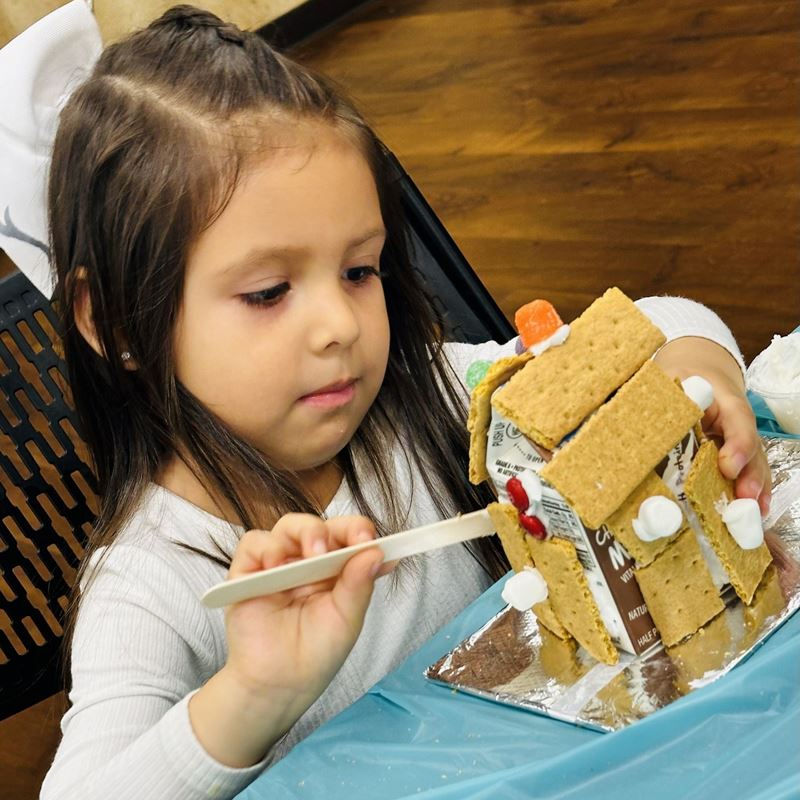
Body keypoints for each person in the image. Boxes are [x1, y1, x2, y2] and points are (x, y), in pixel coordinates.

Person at [38, 6, 771, 799]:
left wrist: (699, 389)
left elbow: (670, 320)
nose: (339, 326)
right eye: (269, 291)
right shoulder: (153, 581)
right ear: (115, 322)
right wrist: (253, 697)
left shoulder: (429, 398)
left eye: (360, 271)